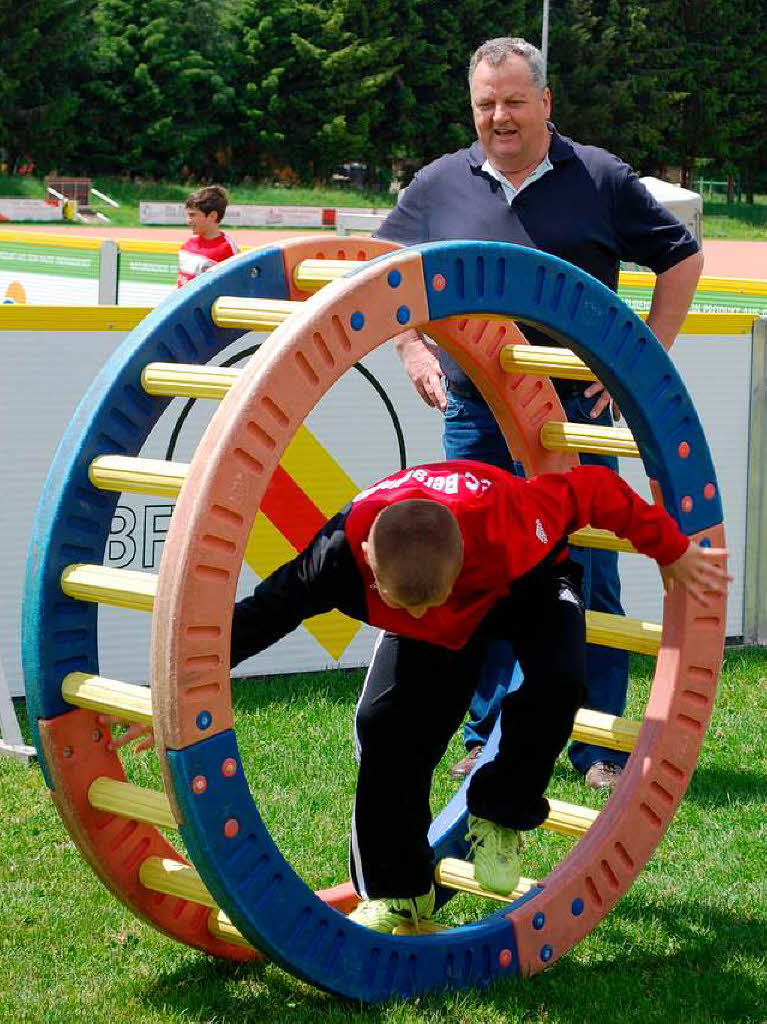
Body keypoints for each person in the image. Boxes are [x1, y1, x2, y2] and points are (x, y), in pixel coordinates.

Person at [374, 37, 705, 790]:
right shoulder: (436, 183)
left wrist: (636, 366)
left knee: (585, 565)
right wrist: (413, 353)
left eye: (514, 101)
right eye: (486, 104)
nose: (500, 118)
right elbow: (380, 273)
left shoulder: (598, 176)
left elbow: (680, 260)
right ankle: (486, 732)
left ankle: (598, 746)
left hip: (573, 416)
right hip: (476, 412)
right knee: (478, 568)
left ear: (545, 102)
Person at [177, 185, 239, 287]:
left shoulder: (227, 249)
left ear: (212, 216)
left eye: (193, 215)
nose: (188, 221)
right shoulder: (187, 245)